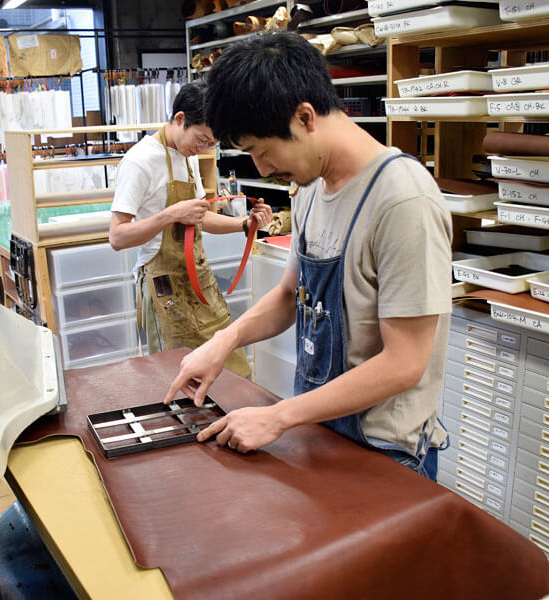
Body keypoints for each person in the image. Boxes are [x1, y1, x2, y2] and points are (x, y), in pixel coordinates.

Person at [164, 33, 452, 481]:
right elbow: (287, 295)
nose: (261, 169)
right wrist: (222, 342)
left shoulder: (403, 201)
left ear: (305, 117)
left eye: (262, 151)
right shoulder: (312, 189)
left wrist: (279, 416)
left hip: (385, 456)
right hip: (322, 430)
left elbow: (405, 361)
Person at [109, 80, 272, 378]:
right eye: (201, 140)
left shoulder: (188, 156)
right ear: (180, 119)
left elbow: (201, 218)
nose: (203, 150)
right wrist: (170, 214)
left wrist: (243, 224)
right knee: (178, 378)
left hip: (198, 281)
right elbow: (117, 236)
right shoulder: (139, 161)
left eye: (211, 144)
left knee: (232, 370)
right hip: (163, 288)